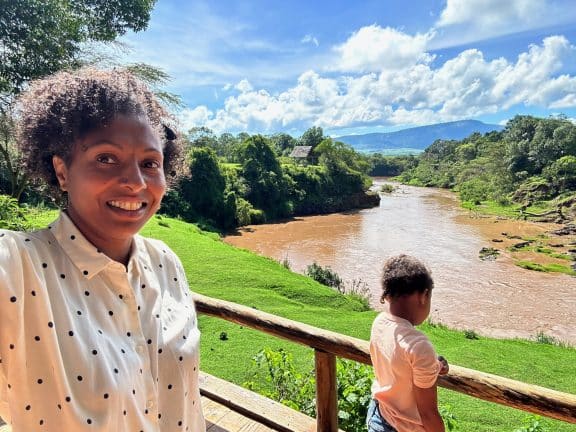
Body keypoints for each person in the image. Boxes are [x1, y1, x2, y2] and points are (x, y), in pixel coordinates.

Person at [0, 68, 205, 431]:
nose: (135, 183)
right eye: (106, 158)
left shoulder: (166, 263)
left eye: (149, 163)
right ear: (62, 172)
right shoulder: (19, 267)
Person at [367, 254, 449, 432]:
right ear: (424, 296)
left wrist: (434, 366)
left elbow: (399, 364)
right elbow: (428, 413)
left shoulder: (379, 323)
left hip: (378, 416)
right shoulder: (419, 346)